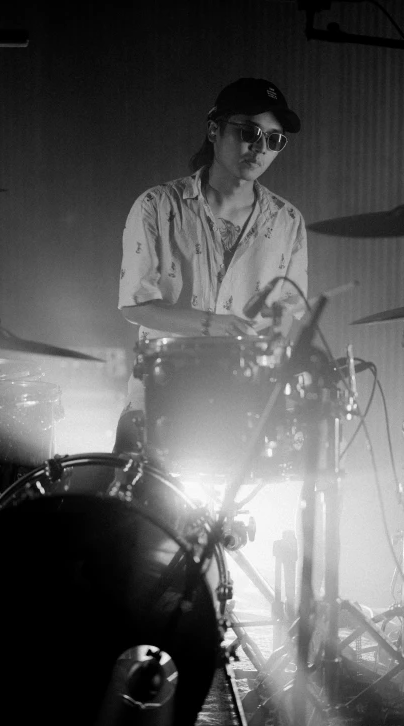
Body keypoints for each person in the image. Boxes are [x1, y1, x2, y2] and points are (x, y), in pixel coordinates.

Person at [114, 77, 308, 455]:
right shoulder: (158, 206)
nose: (260, 147)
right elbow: (133, 305)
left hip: (245, 398)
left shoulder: (288, 221)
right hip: (164, 394)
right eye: (249, 131)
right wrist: (212, 326)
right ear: (213, 130)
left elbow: (288, 319)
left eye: (273, 139)